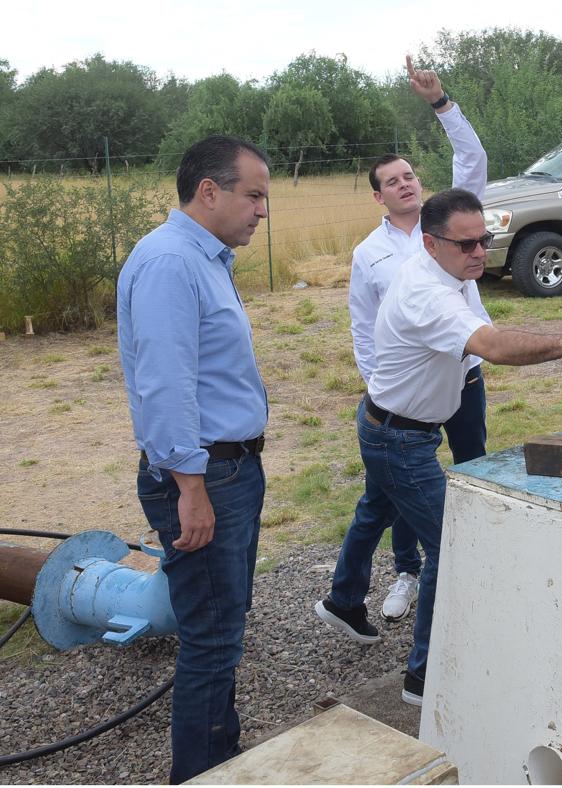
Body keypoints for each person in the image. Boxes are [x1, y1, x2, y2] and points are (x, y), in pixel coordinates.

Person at [316, 189, 562, 706]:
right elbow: (495, 347)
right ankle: (424, 675)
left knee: (377, 507)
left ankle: (344, 601)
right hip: (398, 437)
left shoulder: (446, 273)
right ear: (431, 244)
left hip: (398, 426)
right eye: (467, 244)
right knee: (449, 542)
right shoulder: (425, 293)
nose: (480, 251)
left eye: (485, 239)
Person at [116, 135, 270, 783]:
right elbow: (165, 382)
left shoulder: (203, 258)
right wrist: (190, 484)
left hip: (228, 469)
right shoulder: (171, 265)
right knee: (210, 639)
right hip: (205, 475)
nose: (262, 210)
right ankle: (201, 773)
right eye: (253, 195)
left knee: (223, 627)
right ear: (209, 191)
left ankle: (223, 759)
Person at [347, 56, 490, 623]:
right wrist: (380, 386)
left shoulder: (449, 217)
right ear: (378, 197)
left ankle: (466, 567)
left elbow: (472, 158)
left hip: (464, 373)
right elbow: (363, 325)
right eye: (392, 181)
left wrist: (440, 102)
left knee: (471, 464)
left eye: (409, 175)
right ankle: (408, 572)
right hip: (405, 392)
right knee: (402, 487)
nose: (405, 183)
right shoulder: (371, 254)